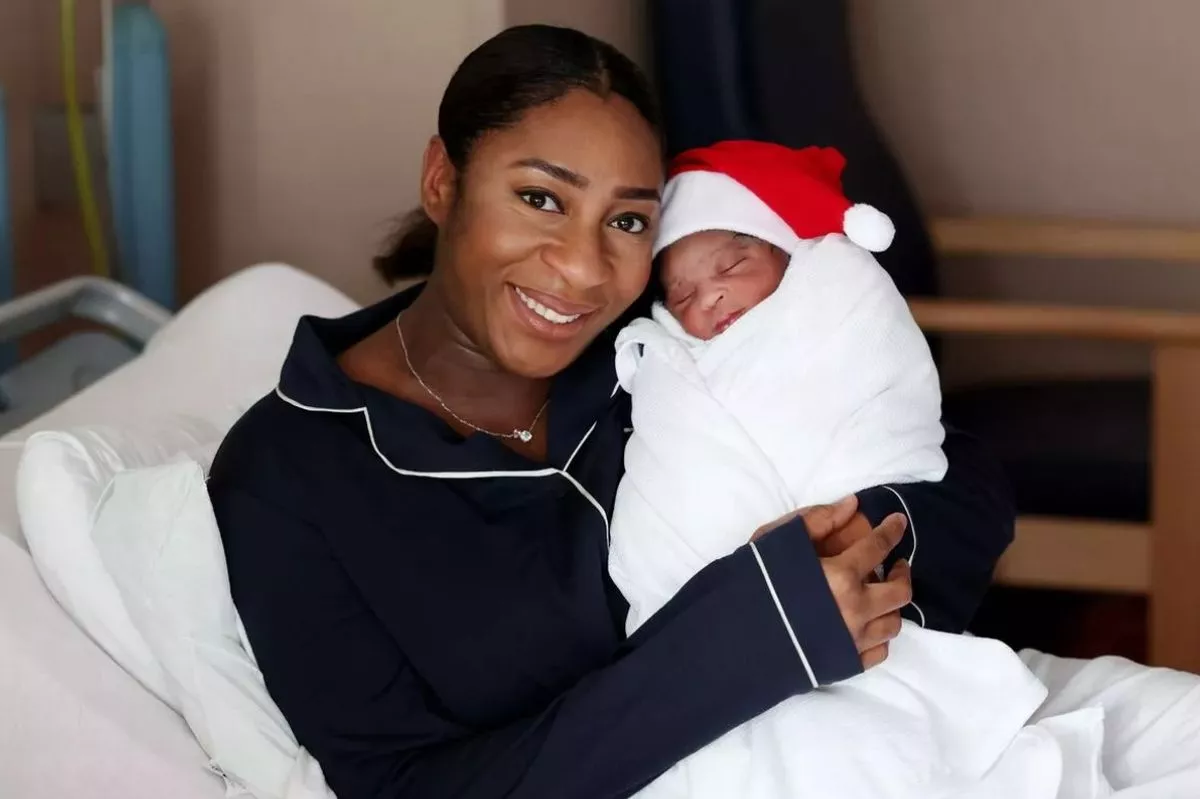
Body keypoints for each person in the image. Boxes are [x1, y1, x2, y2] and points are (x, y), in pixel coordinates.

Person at [205, 23, 1131, 799]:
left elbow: (962, 480)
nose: (582, 267)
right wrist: (754, 632)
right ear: (443, 180)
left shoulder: (660, 339)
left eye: (628, 220)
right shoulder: (291, 477)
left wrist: (860, 556)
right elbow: (405, 788)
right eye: (539, 199)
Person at [609, 139, 1109, 799]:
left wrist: (864, 531)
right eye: (684, 294)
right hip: (703, 657)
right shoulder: (656, 368)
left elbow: (959, 477)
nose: (712, 297)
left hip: (865, 604)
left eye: (733, 263)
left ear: (789, 253)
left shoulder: (827, 307)